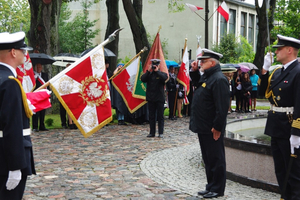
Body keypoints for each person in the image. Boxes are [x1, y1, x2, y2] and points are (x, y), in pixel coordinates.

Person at [259, 35, 300, 200]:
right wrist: (264, 70)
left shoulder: (298, 71)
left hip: (289, 127)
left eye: (279, 48)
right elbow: (262, 93)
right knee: (281, 170)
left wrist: (296, 133)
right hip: (276, 127)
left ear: (290, 50)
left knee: (294, 173)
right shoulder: (277, 71)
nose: (275, 51)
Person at [0, 31, 36, 199]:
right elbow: (12, 127)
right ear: (13, 52)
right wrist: (15, 168)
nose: (25, 54)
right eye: (23, 50)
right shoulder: (9, 82)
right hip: (7, 161)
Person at [189, 49, 229, 198]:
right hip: (203, 126)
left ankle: (218, 189)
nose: (200, 63)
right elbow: (198, 86)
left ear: (212, 63)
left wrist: (218, 126)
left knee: (216, 159)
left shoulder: (219, 79)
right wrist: (194, 72)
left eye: (203, 61)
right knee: (208, 158)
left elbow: (222, 107)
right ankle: (211, 185)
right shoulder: (208, 77)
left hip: (212, 128)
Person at [141, 59, 168, 138]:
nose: (154, 66)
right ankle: (152, 132)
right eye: (153, 65)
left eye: (156, 65)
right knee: (151, 116)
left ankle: (160, 132)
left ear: (159, 65)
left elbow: (164, 78)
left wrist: (157, 71)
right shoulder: (149, 74)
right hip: (151, 98)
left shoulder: (162, 74)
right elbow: (143, 79)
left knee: (160, 116)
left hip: (159, 98)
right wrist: (148, 71)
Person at [32, 63, 49, 131]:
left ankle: (42, 126)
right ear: (35, 68)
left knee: (42, 111)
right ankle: (35, 127)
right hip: (35, 95)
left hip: (43, 95)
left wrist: (48, 93)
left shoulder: (45, 75)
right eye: (37, 67)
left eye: (40, 67)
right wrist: (35, 79)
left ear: (41, 68)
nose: (39, 68)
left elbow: (47, 84)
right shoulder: (33, 75)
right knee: (36, 112)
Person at [59, 63, 77, 129]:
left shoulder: (74, 75)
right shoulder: (63, 75)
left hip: (72, 93)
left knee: (73, 108)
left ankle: (73, 122)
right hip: (65, 93)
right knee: (65, 109)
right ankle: (69, 123)